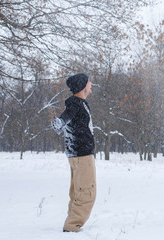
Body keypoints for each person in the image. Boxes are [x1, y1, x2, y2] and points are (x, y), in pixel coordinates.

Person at [51, 73, 96, 232]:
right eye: (89, 82)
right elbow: (67, 116)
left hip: (77, 154)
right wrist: (61, 122)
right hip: (81, 154)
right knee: (86, 192)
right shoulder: (76, 103)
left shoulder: (80, 103)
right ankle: (72, 226)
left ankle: (72, 221)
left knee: (78, 190)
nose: (91, 84)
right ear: (83, 86)